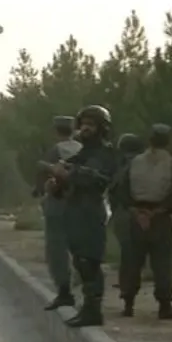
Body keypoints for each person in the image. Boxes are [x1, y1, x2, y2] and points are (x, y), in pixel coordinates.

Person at [43, 105, 120, 328]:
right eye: (83, 124)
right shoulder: (83, 153)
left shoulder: (106, 154)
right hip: (74, 213)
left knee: (90, 262)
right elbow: (69, 176)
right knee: (80, 261)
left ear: (102, 128)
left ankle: (93, 310)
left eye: (91, 125)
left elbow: (98, 180)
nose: (85, 129)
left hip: (91, 213)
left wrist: (70, 173)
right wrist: (56, 183)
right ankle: (88, 308)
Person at [116, 124, 172, 320]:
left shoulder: (134, 163)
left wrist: (138, 213)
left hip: (136, 216)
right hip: (160, 218)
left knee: (131, 260)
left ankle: (128, 304)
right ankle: (165, 306)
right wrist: (155, 213)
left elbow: (122, 190)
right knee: (162, 263)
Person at [36, 116, 82, 310]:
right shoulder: (82, 149)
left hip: (58, 206)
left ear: (56, 131)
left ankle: (64, 292)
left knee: (57, 251)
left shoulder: (54, 151)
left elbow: (42, 180)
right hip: (81, 207)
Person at [108, 132, 146, 294]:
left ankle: (127, 289)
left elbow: (115, 193)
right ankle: (130, 286)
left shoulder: (122, 166)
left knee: (128, 254)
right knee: (138, 254)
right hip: (145, 213)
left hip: (126, 214)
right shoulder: (145, 165)